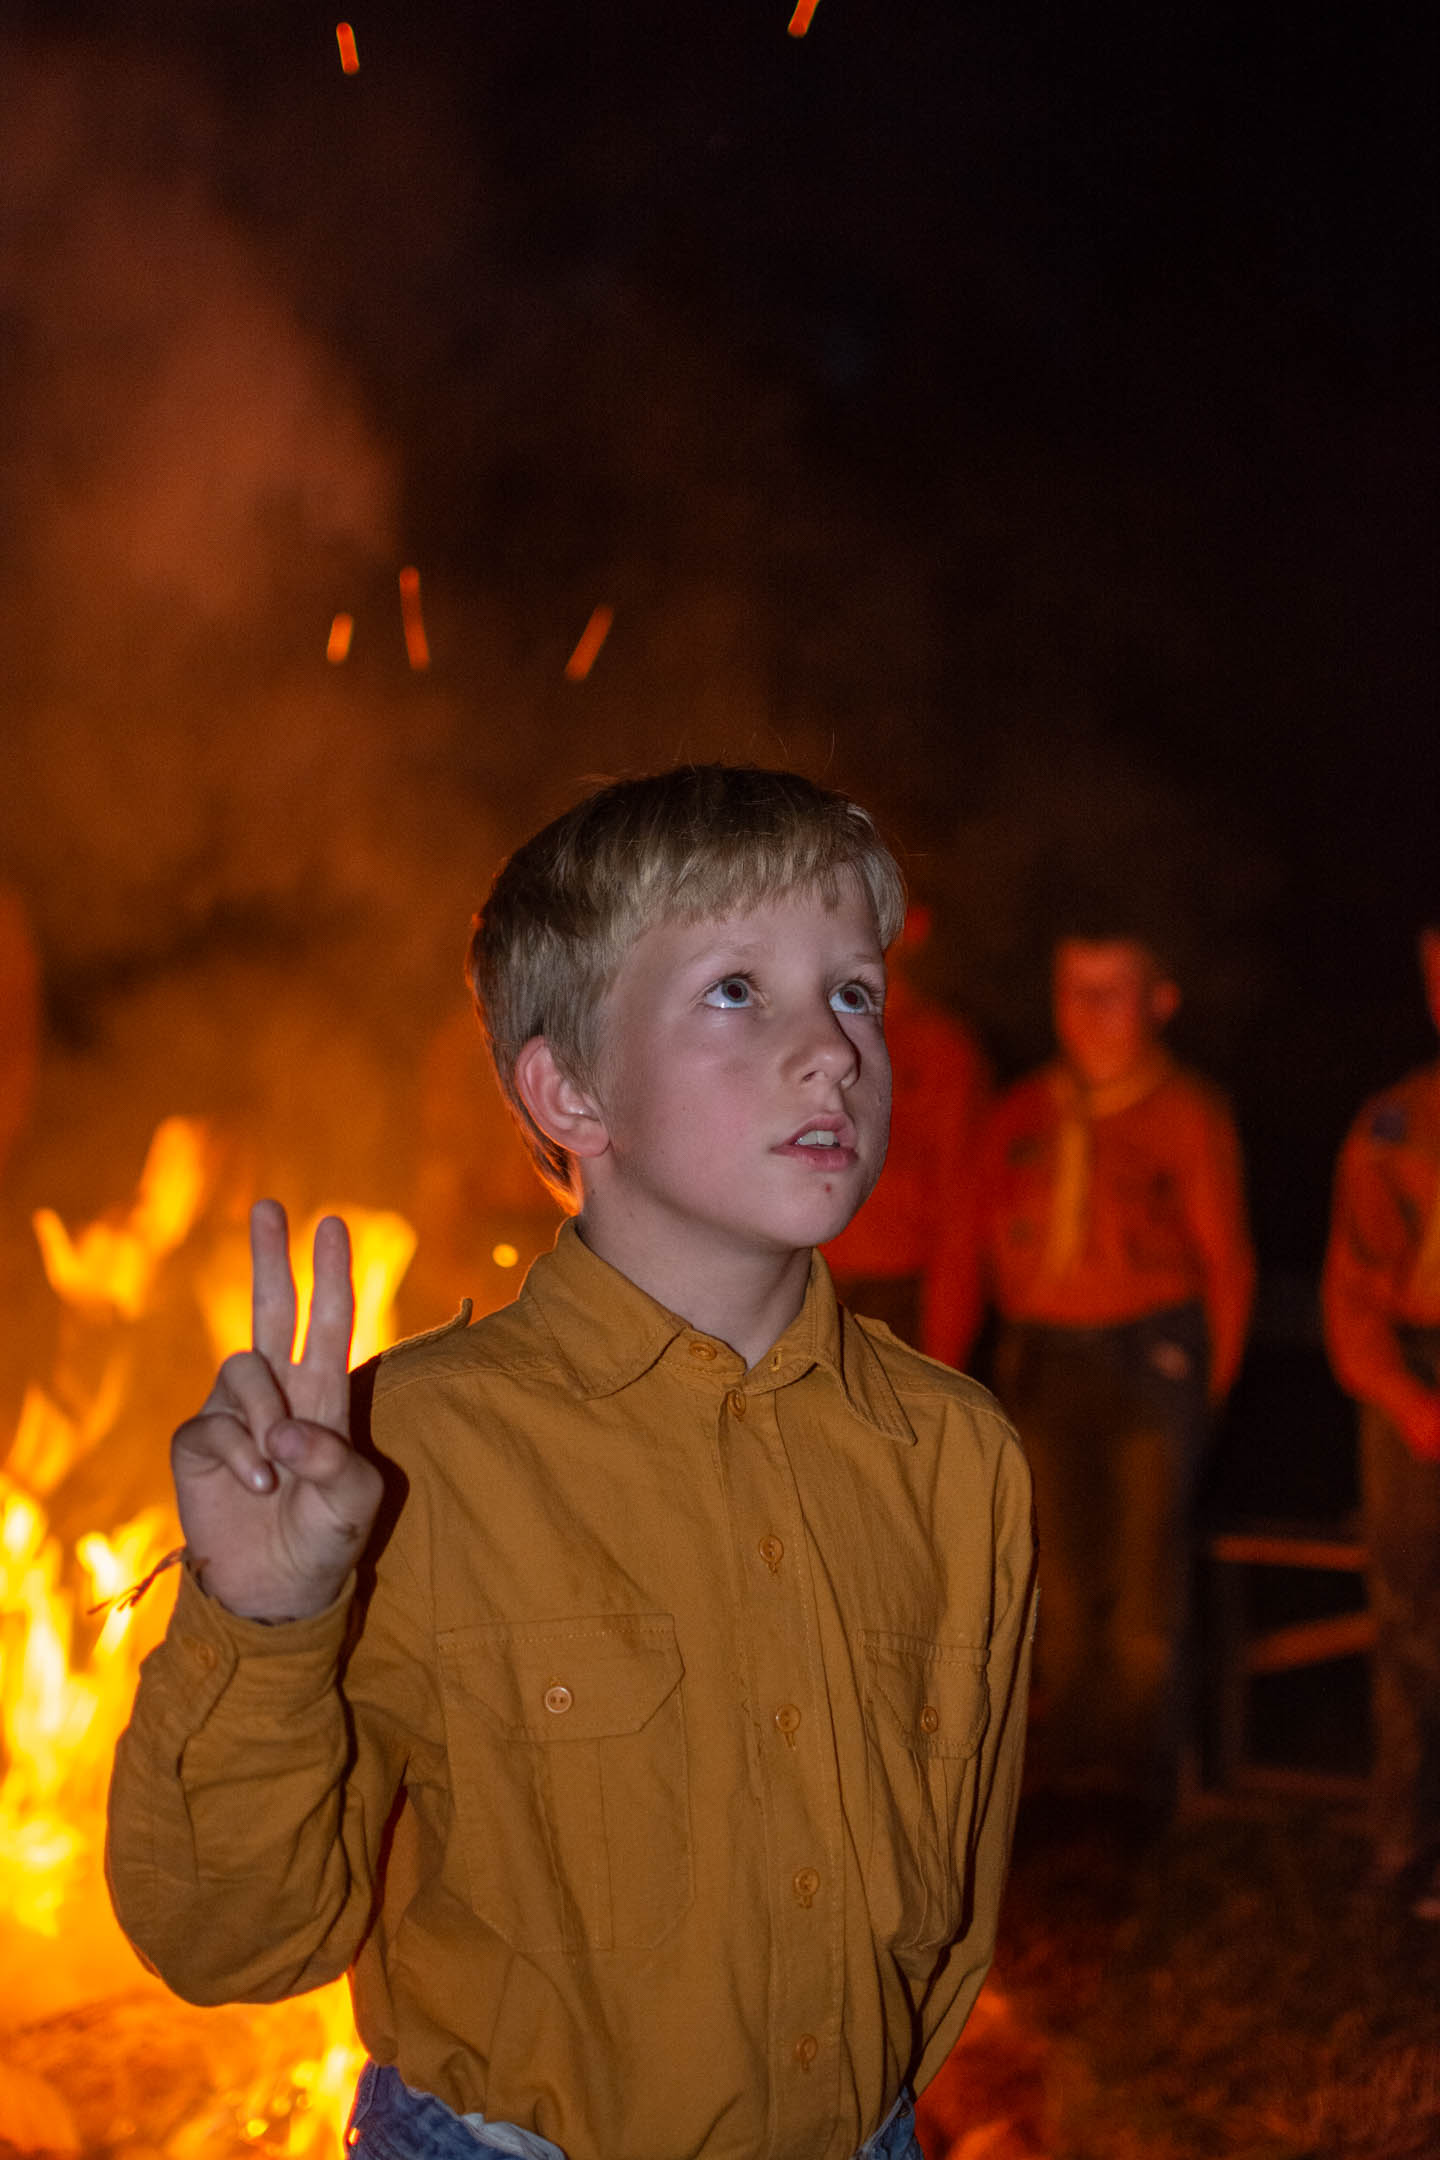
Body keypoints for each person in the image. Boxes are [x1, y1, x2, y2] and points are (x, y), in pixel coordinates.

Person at [107, 766, 1037, 2160]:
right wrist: (265, 1618)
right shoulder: (406, 1455)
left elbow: (950, 1917)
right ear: (571, 1091)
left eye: (853, 991)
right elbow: (234, 1940)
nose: (835, 1051)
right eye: (738, 990)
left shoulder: (960, 1459)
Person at [959, 931, 1254, 1804]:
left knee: (1142, 1585)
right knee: (1057, 1576)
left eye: (1110, 991)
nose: (1087, 1013)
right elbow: (975, 1243)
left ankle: (1137, 1782)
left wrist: (1205, 1393)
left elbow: (1227, 1263)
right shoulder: (1022, 1110)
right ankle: (1071, 1770)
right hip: (1046, 1356)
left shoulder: (1185, 1112)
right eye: (1072, 990)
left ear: (1160, 1002)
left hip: (1149, 1355)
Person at [1322, 926, 1440, 1915]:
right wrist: (1406, 1398)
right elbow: (1354, 1289)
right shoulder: (1395, 1124)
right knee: (1410, 1624)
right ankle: (1406, 1841)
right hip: (1418, 1381)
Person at [824, 902, 991, 1359]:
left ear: (913, 926)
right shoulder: (781, 1035)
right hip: (792, 1292)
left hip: (893, 1306)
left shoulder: (943, 1054)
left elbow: (960, 1222)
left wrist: (942, 1358)